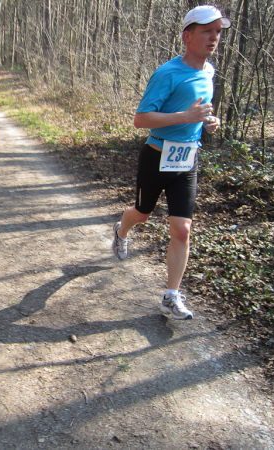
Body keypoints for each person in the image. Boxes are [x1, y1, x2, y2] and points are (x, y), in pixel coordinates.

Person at [111, 5, 231, 319]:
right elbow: (141, 119)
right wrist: (185, 116)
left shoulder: (209, 72)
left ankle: (171, 296)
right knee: (142, 214)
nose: (214, 37)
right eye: (207, 31)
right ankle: (121, 231)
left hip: (187, 159)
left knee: (182, 229)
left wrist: (207, 121)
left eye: (218, 32)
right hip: (157, 156)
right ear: (187, 36)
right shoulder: (167, 73)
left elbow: (198, 110)